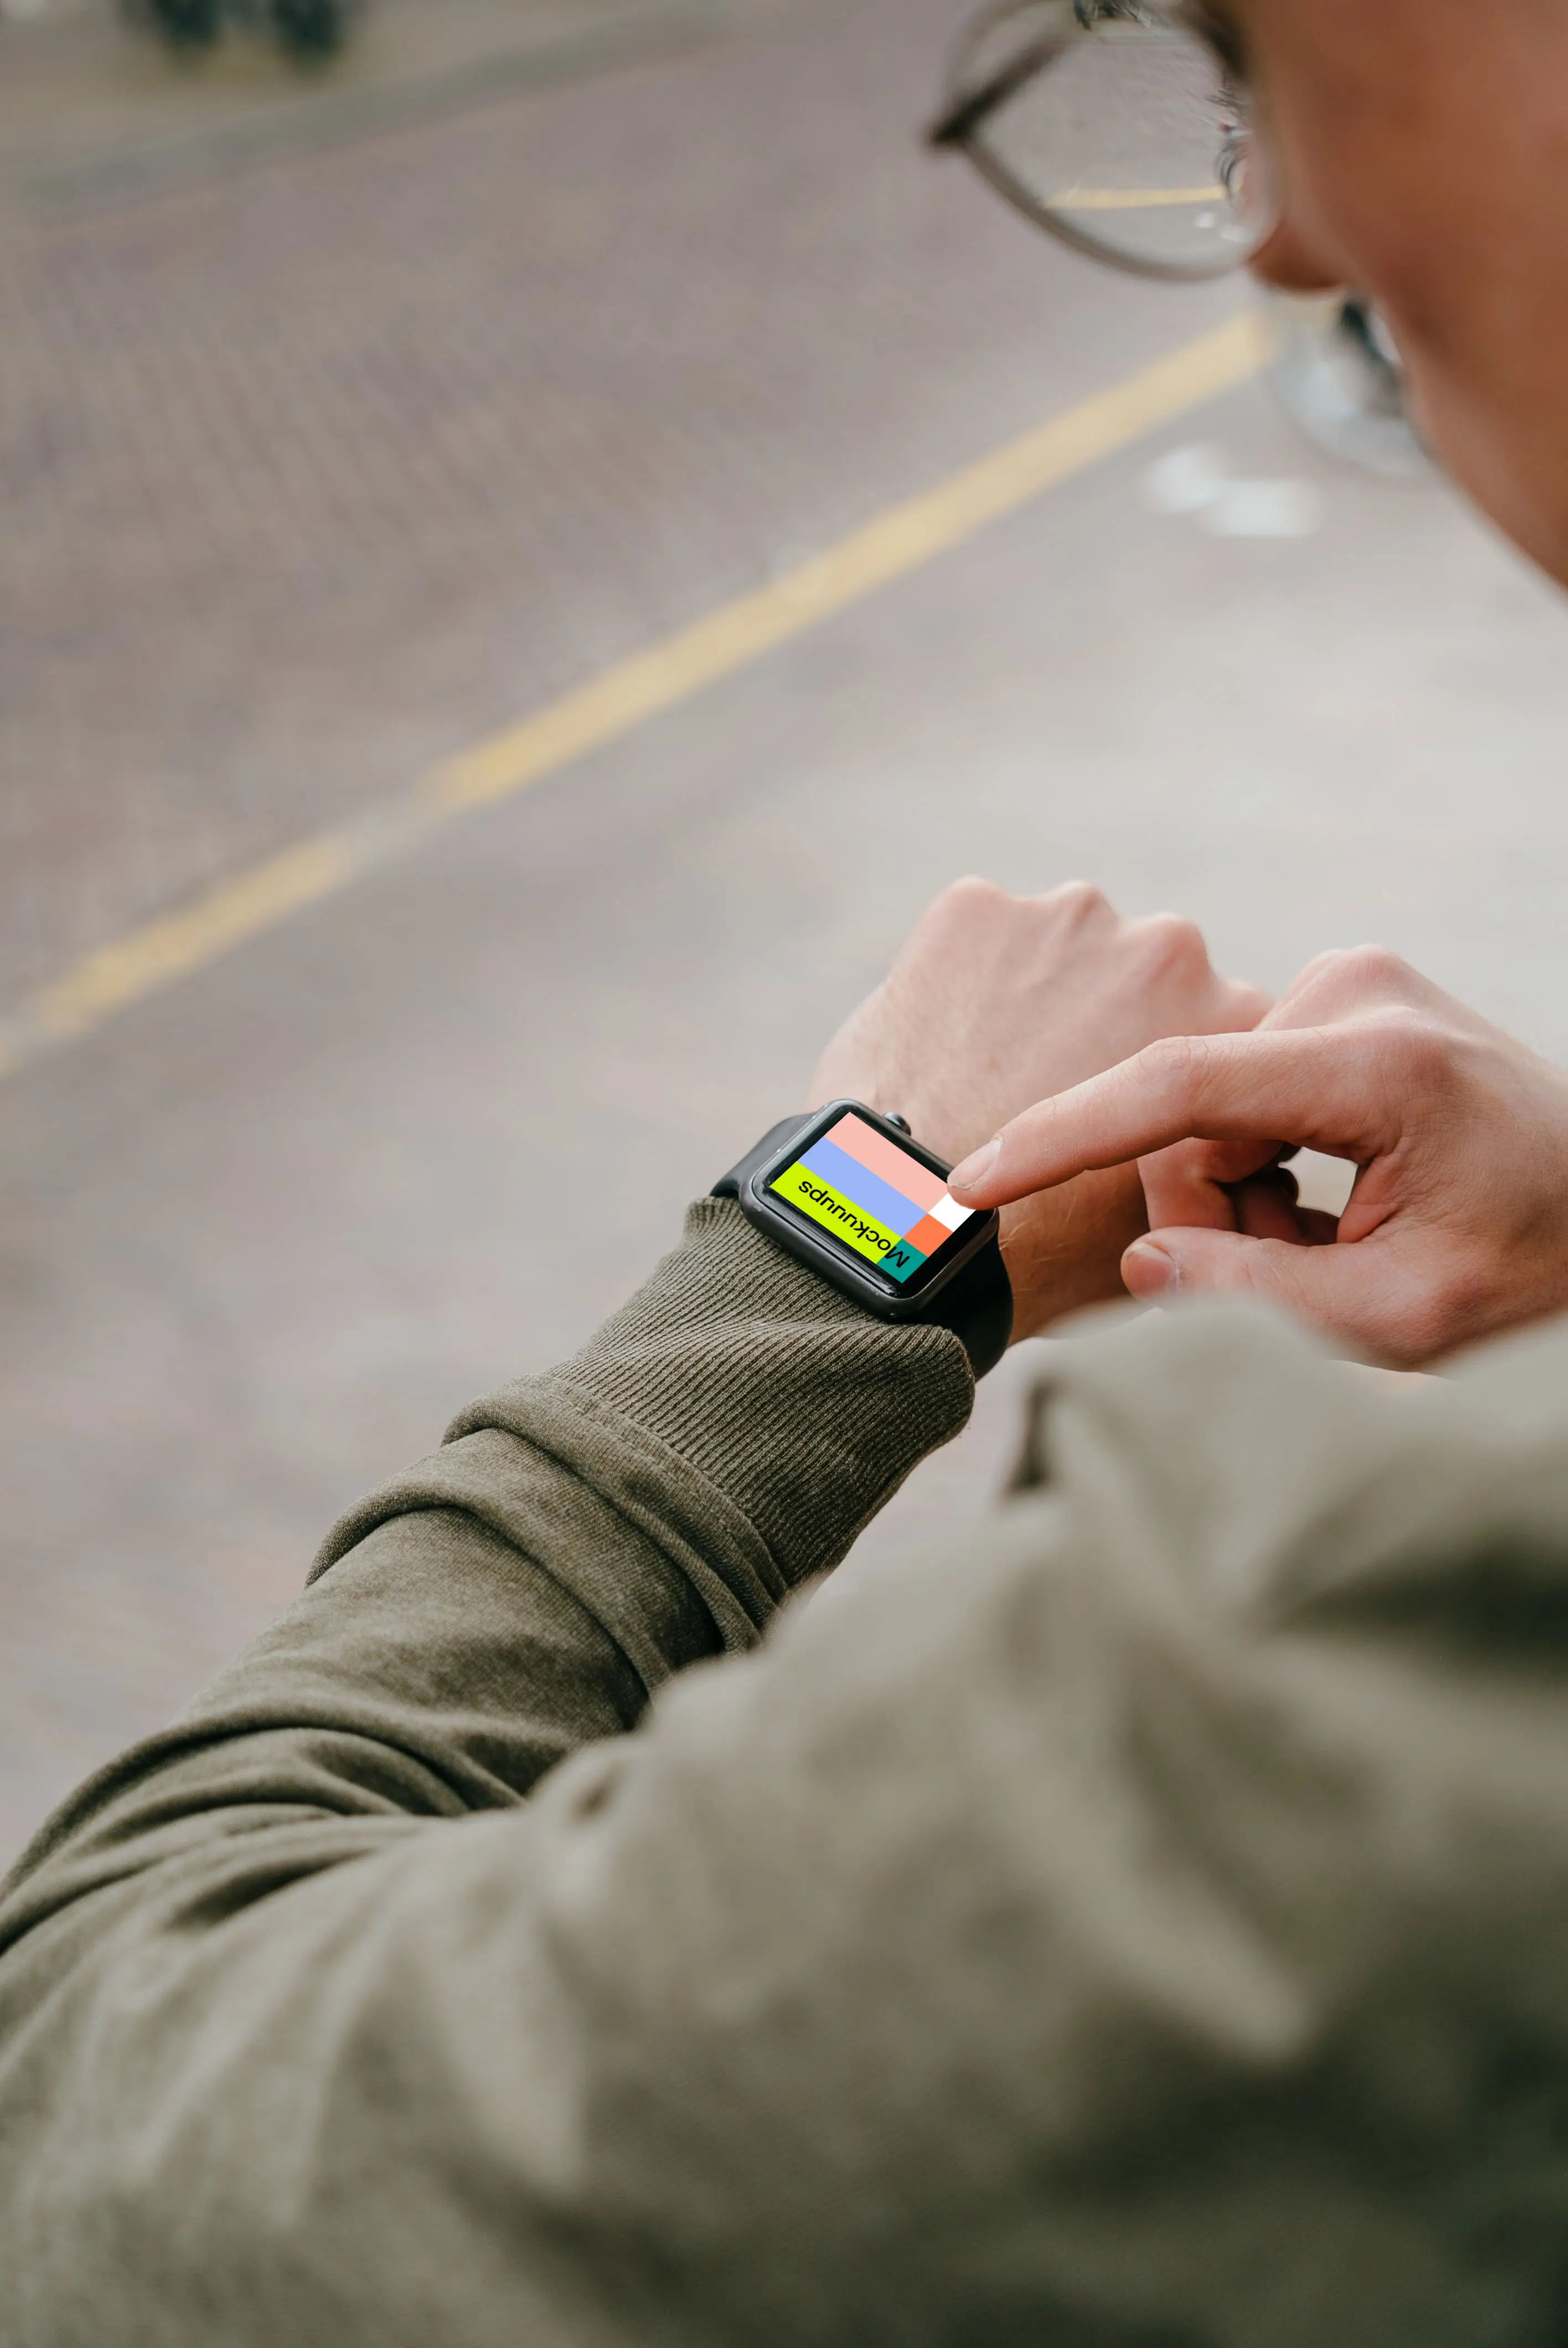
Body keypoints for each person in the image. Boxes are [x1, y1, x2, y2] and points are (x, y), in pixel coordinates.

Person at [7, 1, 1568, 2340]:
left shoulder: (1380, 1651)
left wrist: (854, 1223)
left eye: (1262, 42)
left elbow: (109, 2106)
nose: (1291, 237)